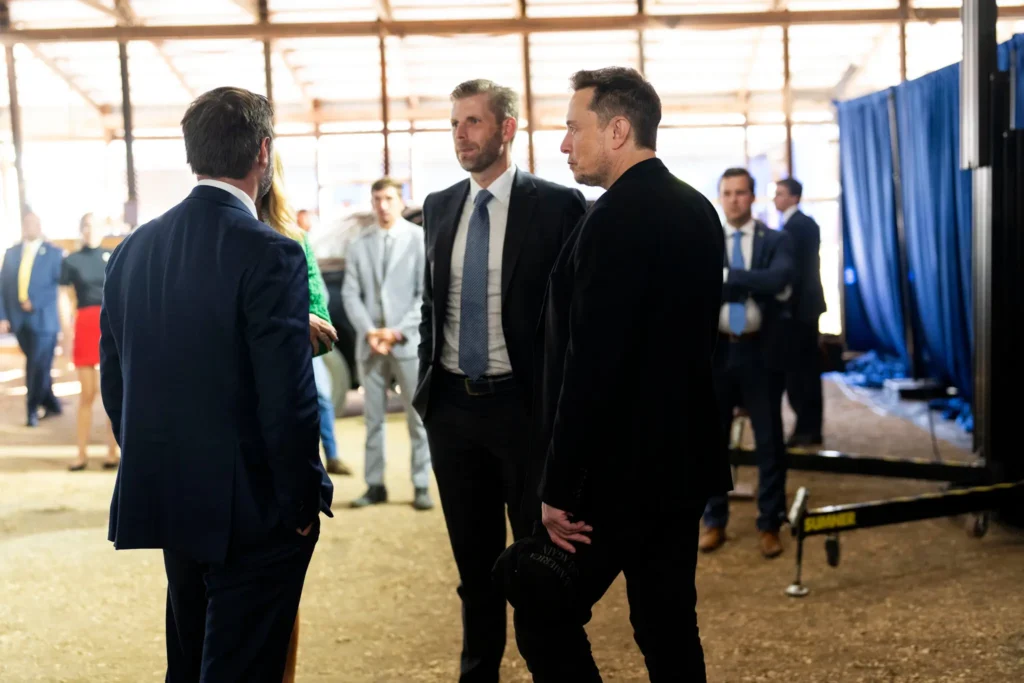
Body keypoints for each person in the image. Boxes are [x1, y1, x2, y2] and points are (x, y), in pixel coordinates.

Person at [99, 86, 333, 682]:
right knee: (245, 665)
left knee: (191, 654)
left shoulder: (132, 250)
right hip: (253, 508)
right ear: (264, 151)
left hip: (173, 497)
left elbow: (116, 379)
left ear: (191, 153)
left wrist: (158, 463)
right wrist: (303, 500)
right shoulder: (270, 252)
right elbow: (287, 401)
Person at [511, 66, 730, 683]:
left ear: (617, 130)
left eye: (572, 128)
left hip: (612, 476)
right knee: (667, 626)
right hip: (679, 463)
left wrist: (556, 485)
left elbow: (593, 365)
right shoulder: (698, 211)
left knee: (541, 611)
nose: (562, 144)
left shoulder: (612, 221)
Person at [413, 78, 586, 682]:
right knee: (474, 569)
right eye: (455, 123)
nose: (461, 134)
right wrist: (427, 387)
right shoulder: (438, 206)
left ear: (506, 128)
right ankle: (477, 673)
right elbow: (432, 308)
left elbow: (574, 319)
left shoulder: (558, 206)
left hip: (523, 411)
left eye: (474, 122)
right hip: (453, 412)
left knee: (540, 564)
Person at [699, 167, 794, 558]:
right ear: (720, 197)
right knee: (710, 442)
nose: (734, 199)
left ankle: (770, 523)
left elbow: (781, 279)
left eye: (741, 193)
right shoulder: (703, 239)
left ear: (753, 197)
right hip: (717, 353)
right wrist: (751, 279)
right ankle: (713, 521)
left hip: (760, 352)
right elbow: (694, 285)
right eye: (727, 193)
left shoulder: (777, 239)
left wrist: (729, 278)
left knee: (770, 442)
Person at [342, 177, 432, 510]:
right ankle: (375, 485)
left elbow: (423, 294)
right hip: (370, 345)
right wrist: (370, 332)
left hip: (406, 343)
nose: (382, 205)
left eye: (389, 198)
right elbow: (351, 293)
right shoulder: (359, 242)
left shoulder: (418, 239)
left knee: (417, 418)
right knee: (373, 420)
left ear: (400, 201)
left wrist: (394, 332)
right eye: (377, 198)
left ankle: (421, 484)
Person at [61, 213, 120, 471]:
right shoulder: (72, 260)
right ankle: (81, 453)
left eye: (93, 225)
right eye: (85, 225)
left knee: (113, 388)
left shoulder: (114, 254)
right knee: (87, 393)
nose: (89, 230)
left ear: (102, 229)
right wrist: (66, 332)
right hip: (85, 324)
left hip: (111, 322)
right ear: (80, 229)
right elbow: (63, 298)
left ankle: (113, 450)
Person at [774, 178, 827, 447]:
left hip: (798, 310)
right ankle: (810, 427)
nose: (775, 199)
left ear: (794, 198)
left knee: (799, 372)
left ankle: (807, 428)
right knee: (807, 370)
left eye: (780, 194)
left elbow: (791, 273)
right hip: (808, 307)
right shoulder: (806, 224)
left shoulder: (794, 228)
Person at [0, 210, 64, 427]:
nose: (30, 227)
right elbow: (2, 286)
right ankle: (52, 404)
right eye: (27, 223)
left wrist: (35, 302)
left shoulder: (54, 253)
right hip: (19, 320)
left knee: (35, 364)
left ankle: (31, 409)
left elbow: (58, 286)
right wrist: (2, 316)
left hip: (44, 320)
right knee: (40, 365)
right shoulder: (11, 253)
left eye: (34, 223)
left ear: (40, 226)